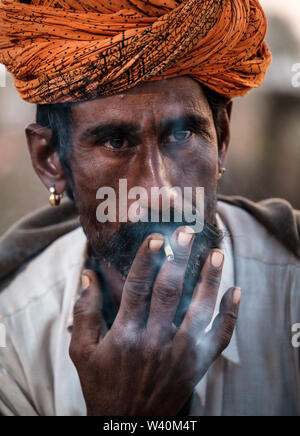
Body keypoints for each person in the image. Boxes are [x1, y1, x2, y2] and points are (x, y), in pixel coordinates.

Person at [0, 0, 299, 416]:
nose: (160, 190)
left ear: (222, 137)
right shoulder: (13, 335)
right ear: (50, 159)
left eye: (182, 135)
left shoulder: (293, 294)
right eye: (116, 142)